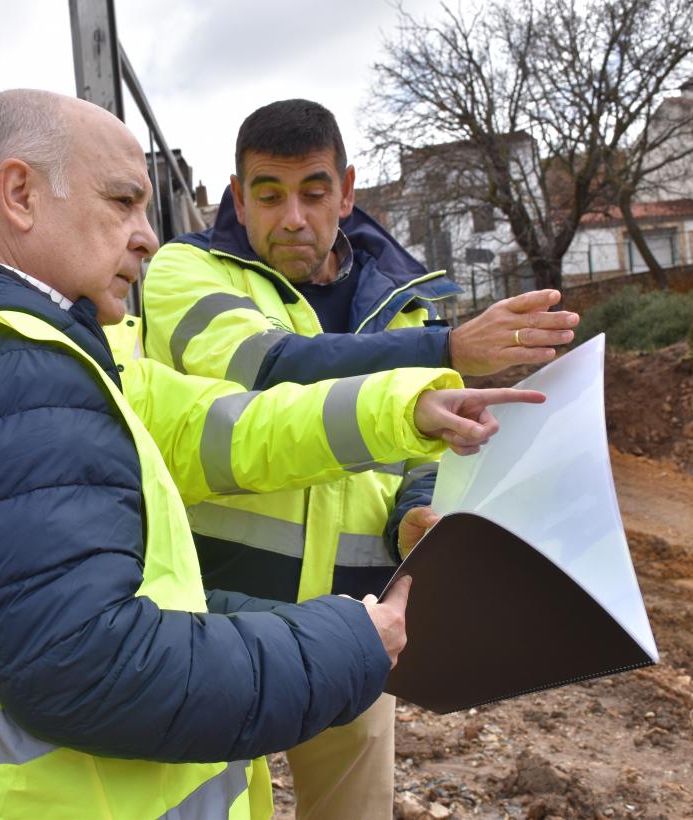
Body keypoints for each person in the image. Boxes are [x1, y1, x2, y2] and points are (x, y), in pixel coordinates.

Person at [0, 89, 543, 819]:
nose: (148, 237)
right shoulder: (12, 367)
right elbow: (90, 664)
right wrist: (341, 641)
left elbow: (217, 433)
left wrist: (405, 418)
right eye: (123, 201)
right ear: (20, 194)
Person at [140, 98, 580, 819]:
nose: (293, 218)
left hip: (358, 620)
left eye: (314, 194)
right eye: (269, 194)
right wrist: (442, 351)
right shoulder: (186, 271)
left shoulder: (403, 305)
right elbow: (267, 368)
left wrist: (416, 513)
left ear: (346, 190)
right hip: (213, 619)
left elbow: (421, 455)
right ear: (236, 196)